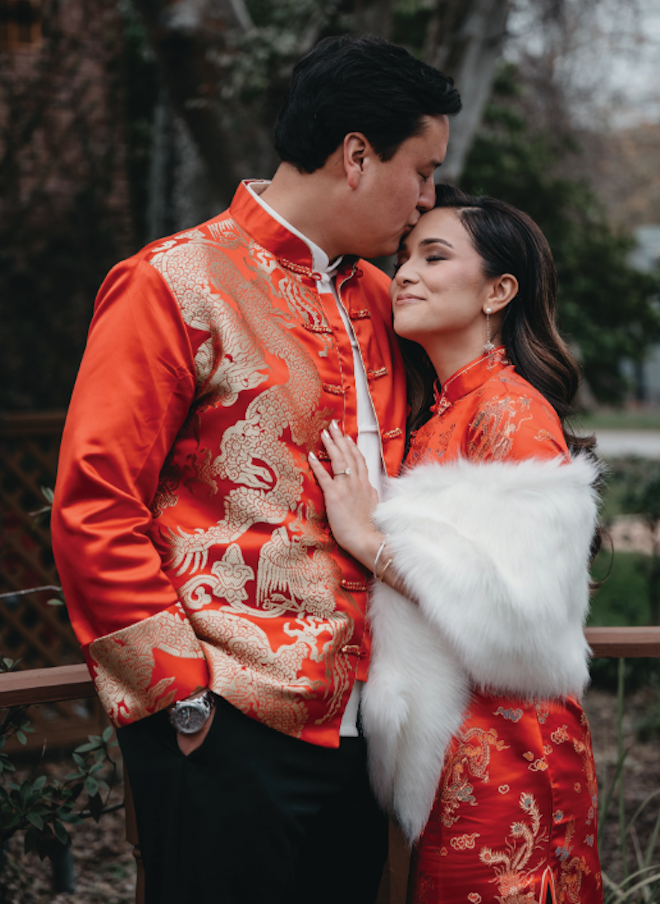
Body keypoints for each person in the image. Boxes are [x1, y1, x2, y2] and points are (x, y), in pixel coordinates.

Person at [50, 35, 461, 904]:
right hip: (224, 720)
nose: (429, 199)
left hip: (363, 726)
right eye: (421, 170)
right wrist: (182, 703)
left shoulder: (391, 302)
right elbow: (94, 506)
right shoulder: (172, 282)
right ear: (356, 155)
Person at [309, 185, 603, 903]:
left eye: (434, 257)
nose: (404, 273)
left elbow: (520, 618)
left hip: (514, 754)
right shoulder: (446, 410)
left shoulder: (511, 412)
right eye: (405, 255)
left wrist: (365, 538)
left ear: (499, 290)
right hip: (455, 747)